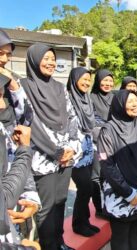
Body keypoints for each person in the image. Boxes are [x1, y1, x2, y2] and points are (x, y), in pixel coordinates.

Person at [21, 43, 82, 250]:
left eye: (53, 59)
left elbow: (73, 119)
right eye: (45, 58)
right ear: (34, 60)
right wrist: (55, 151)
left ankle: (60, 242)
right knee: (46, 208)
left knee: (61, 202)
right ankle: (49, 246)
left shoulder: (58, 87)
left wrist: (72, 147)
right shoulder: (24, 87)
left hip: (65, 158)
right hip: (43, 160)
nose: (51, 62)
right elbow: (31, 125)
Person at [98, 90, 137, 250]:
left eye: (136, 101)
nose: (136, 104)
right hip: (120, 196)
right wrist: (129, 194)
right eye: (130, 101)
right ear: (119, 104)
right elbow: (107, 165)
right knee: (121, 242)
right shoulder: (108, 130)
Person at [0, 29, 41, 231]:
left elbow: (19, 148)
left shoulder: (8, 89)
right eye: (0, 52)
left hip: (13, 192)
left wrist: (30, 196)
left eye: (8, 54)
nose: (5, 59)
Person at [0, 73, 39, 250]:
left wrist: (30, 199)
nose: (3, 105)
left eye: (3, 96)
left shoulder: (6, 127)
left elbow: (17, 160)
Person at [67, 67, 100, 237]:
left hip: (88, 149)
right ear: (74, 79)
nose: (87, 82)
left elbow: (91, 125)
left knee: (87, 188)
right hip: (75, 151)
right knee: (85, 186)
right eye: (83, 79)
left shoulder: (86, 98)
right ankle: (78, 225)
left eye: (89, 80)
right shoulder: (67, 98)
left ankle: (84, 221)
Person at [90, 69, 114, 217]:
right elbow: (91, 122)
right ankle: (98, 208)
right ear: (98, 81)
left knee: (109, 175)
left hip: (113, 144)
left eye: (110, 81)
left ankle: (108, 205)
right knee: (96, 176)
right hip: (96, 143)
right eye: (104, 80)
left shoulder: (115, 98)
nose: (107, 84)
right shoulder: (91, 98)